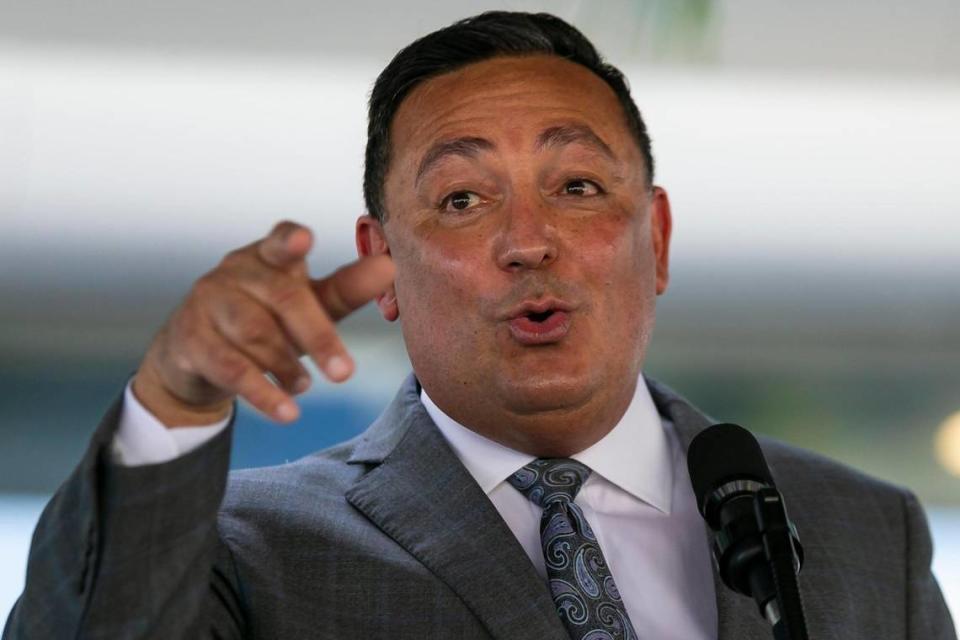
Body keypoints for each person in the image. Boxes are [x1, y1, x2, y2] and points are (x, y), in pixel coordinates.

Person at [3, 11, 955, 640]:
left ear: (654, 239)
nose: (527, 241)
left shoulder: (868, 534)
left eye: (577, 187)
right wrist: (172, 401)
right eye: (461, 200)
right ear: (385, 266)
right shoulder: (244, 547)